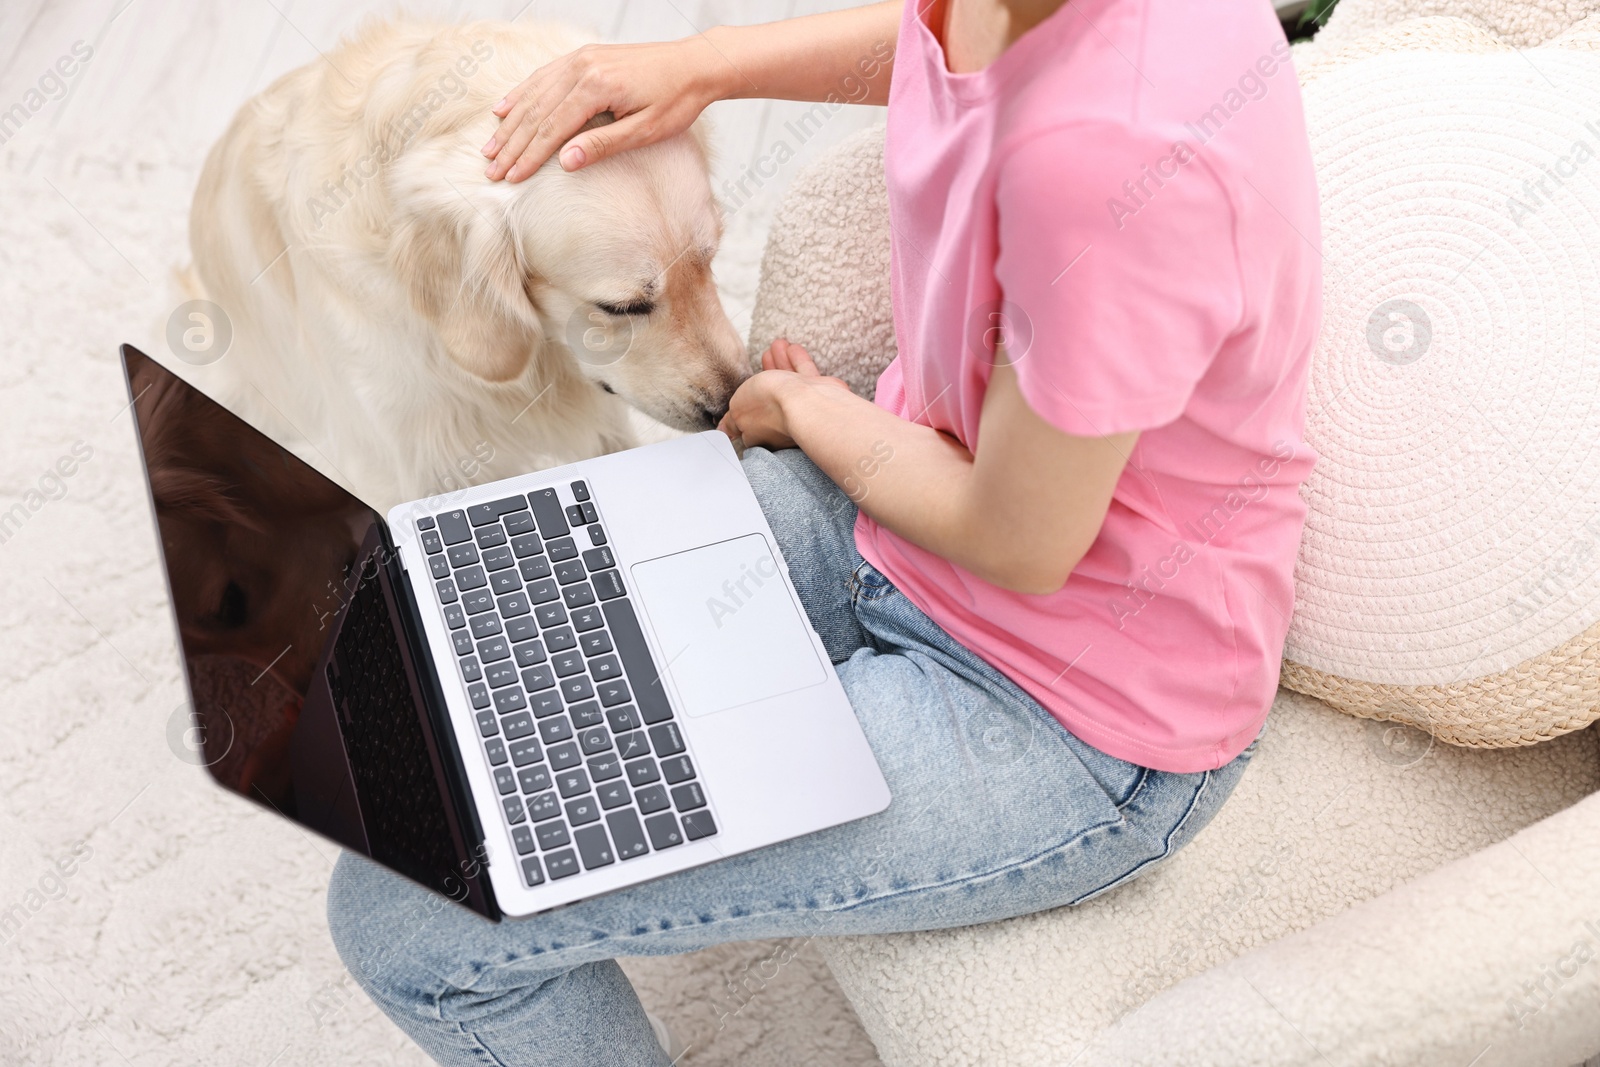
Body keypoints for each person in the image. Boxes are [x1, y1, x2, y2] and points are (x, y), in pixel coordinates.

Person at [326, 1, 1323, 1063]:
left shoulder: (1111, 162)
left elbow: (1022, 537)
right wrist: (703, 67)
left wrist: (819, 416)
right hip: (890, 522)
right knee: (437, 653)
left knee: (404, 919)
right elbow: (943, 47)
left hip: (1067, 719)